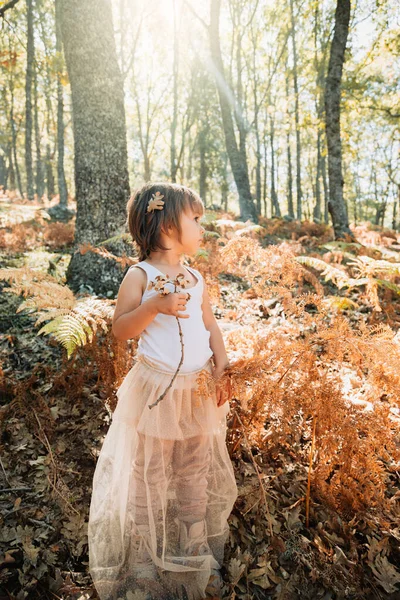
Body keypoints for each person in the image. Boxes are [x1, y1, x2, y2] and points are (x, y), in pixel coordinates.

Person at [88, 182, 238, 600]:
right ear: (169, 224)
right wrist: (153, 306)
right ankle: (142, 554)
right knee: (148, 472)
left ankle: (193, 546)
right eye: (196, 219)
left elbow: (209, 326)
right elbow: (120, 330)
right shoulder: (141, 275)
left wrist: (222, 366)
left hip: (195, 392)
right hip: (155, 391)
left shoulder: (194, 276)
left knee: (194, 469)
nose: (201, 228)